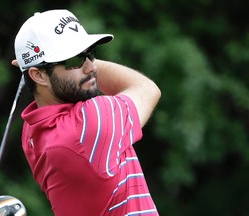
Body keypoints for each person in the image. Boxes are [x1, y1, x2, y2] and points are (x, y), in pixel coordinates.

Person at [13, 9, 161, 216]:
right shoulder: (90, 123)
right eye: (74, 59)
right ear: (39, 76)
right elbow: (146, 88)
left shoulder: (31, 131)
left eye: (89, 54)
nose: (91, 67)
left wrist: (34, 66)